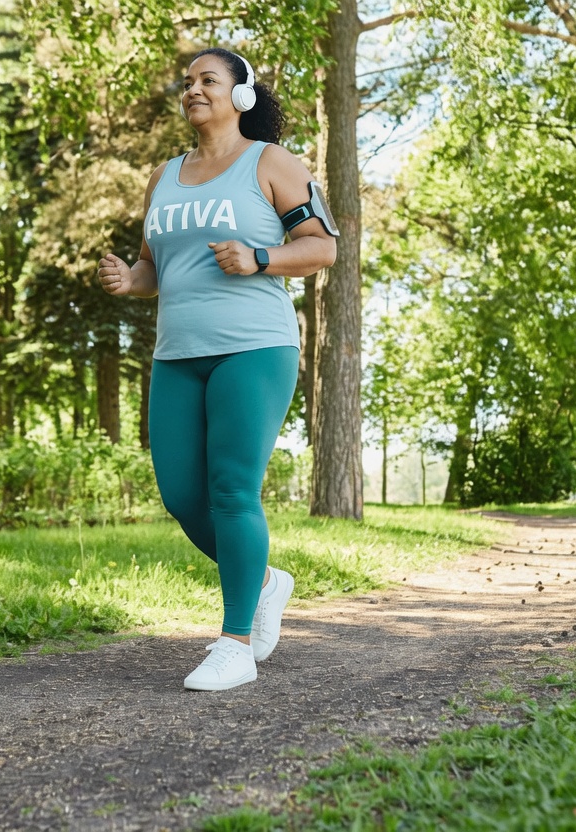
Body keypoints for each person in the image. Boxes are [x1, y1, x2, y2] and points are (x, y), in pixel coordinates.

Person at [97, 48, 338, 691]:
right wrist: (128, 279)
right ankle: (265, 581)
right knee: (182, 496)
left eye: (210, 80)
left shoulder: (271, 162)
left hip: (253, 347)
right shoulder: (164, 176)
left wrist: (259, 257)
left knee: (232, 490)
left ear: (241, 95)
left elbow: (322, 247)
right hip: (177, 354)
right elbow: (154, 267)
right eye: (188, 82)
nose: (194, 89)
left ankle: (236, 645)